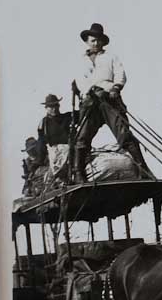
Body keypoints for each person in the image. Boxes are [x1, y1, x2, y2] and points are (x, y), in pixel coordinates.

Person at [72, 22, 151, 182]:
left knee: (124, 134)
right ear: (87, 41)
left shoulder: (111, 57)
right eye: (93, 40)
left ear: (102, 42)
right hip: (90, 102)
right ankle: (79, 173)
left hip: (109, 100)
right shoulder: (80, 61)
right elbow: (80, 81)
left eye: (98, 40)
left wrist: (115, 88)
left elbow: (120, 74)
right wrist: (92, 90)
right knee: (82, 137)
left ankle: (143, 169)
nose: (96, 43)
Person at [37, 94, 76, 181]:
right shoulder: (44, 123)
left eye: (56, 105)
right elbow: (41, 142)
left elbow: (83, 114)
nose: (54, 109)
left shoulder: (68, 117)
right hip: (56, 155)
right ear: (46, 108)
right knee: (58, 176)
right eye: (51, 107)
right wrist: (39, 160)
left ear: (59, 106)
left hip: (71, 151)